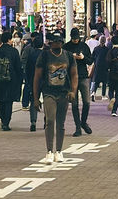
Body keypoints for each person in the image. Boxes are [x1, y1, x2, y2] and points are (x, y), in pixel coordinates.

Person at [33, 32, 78, 164]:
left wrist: (73, 91)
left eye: (60, 41)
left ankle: (59, 150)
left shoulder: (68, 56)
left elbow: (74, 75)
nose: (58, 43)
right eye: (55, 41)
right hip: (48, 92)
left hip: (64, 92)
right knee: (50, 120)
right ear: (50, 43)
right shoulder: (44, 56)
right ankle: (49, 151)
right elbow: (37, 77)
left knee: (61, 122)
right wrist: (36, 98)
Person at [0, 30, 23, 131]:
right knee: (8, 102)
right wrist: (19, 79)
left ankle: (3, 120)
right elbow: (18, 67)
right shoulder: (13, 51)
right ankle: (6, 122)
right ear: (9, 39)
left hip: (0, 81)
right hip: (11, 80)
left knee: (2, 101)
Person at [64, 27, 93, 136]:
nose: (75, 40)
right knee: (74, 103)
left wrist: (83, 58)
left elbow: (90, 60)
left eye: (77, 38)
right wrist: (72, 57)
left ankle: (83, 122)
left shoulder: (84, 46)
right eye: (74, 38)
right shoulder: (66, 47)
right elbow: (62, 60)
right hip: (70, 77)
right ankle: (77, 127)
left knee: (87, 102)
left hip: (83, 76)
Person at [24, 34, 44, 131]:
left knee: (33, 100)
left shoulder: (31, 55)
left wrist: (28, 81)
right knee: (47, 100)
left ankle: (33, 121)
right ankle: (46, 121)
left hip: (33, 80)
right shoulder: (46, 54)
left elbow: (27, 69)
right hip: (45, 81)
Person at [90, 35, 109, 100]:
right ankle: (103, 95)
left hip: (97, 67)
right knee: (104, 82)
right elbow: (108, 59)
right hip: (105, 67)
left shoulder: (96, 48)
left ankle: (93, 93)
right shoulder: (107, 49)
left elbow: (92, 58)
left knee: (96, 81)